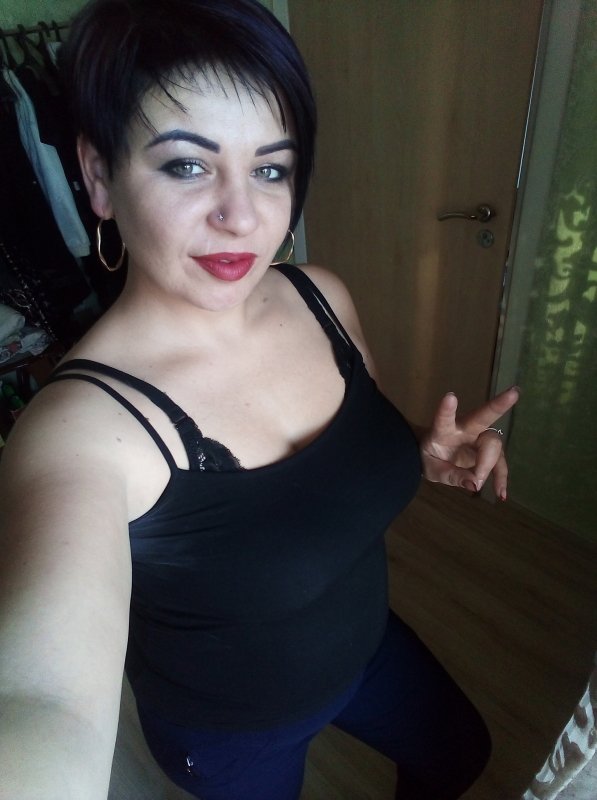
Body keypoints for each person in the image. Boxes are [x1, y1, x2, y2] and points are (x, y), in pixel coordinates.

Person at [0, 1, 519, 798]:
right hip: (229, 730)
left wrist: (415, 448)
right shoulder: (79, 432)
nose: (241, 216)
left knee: (458, 755)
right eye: (186, 165)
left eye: (270, 169)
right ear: (99, 177)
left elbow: (323, 474)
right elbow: (43, 701)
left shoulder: (321, 297)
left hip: (366, 647)